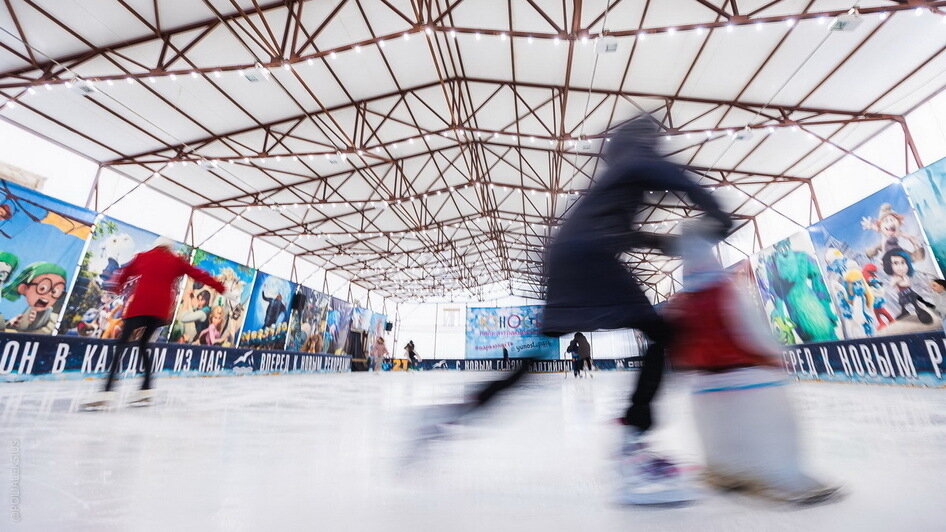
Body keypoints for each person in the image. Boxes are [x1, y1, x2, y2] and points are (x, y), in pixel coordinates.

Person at [414, 115, 732, 505]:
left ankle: (452, 415)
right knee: (664, 335)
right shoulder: (638, 160)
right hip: (590, 256)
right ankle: (633, 445)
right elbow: (678, 178)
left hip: (564, 258)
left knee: (537, 355)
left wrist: (667, 244)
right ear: (645, 140)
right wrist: (718, 215)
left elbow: (624, 232)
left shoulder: (612, 180)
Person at [663, 219, 840, 504]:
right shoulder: (727, 292)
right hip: (749, 379)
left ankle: (725, 471)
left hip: (705, 385)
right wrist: (775, 355)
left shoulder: (682, 302)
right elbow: (751, 330)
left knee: (718, 435)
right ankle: (788, 477)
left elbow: (675, 345)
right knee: (776, 428)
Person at [83, 238, 226, 408]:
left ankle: (108, 390)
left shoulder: (143, 256)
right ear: (169, 248)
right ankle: (146, 389)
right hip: (159, 312)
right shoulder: (176, 261)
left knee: (122, 345)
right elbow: (198, 274)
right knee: (143, 346)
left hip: (140, 307)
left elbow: (125, 274)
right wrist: (221, 288)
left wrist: (117, 288)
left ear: (156, 245)